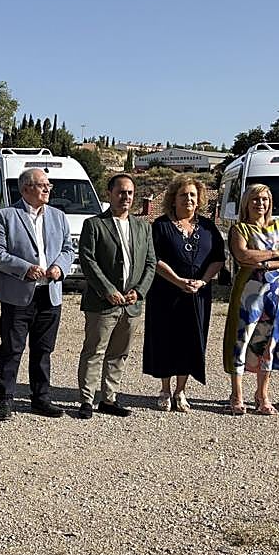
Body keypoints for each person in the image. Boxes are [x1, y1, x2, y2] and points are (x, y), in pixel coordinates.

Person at [0, 168, 75, 419]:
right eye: (42, 185)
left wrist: (60, 266)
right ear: (26, 188)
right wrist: (25, 269)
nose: (48, 189)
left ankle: (41, 399)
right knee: (12, 349)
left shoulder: (59, 217)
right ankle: (5, 399)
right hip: (18, 294)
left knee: (43, 350)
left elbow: (68, 249)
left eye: (49, 185)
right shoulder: (5, 216)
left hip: (50, 294)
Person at [76, 174, 157, 419]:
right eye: (121, 192)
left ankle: (109, 399)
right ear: (109, 194)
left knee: (119, 353)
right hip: (102, 303)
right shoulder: (94, 224)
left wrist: (139, 291)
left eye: (130, 193)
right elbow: (87, 260)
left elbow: (151, 262)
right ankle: (86, 400)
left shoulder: (143, 227)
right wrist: (108, 290)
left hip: (131, 304)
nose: (126, 197)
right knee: (94, 351)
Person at [142, 175, 224, 412]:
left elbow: (218, 258)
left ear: (198, 200)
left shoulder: (208, 227)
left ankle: (181, 391)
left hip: (197, 294)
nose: (188, 199)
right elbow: (153, 258)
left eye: (192, 195)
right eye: (183, 195)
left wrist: (203, 281)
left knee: (191, 341)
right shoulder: (160, 226)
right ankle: (165, 389)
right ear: (173, 198)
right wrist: (178, 281)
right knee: (166, 340)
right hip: (166, 294)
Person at [221, 183, 279, 416]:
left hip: (275, 293)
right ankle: (237, 394)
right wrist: (275, 253)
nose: (260, 203)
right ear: (246, 203)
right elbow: (243, 255)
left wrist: (263, 262)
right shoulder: (240, 230)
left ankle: (262, 394)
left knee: (270, 342)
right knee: (242, 339)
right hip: (248, 292)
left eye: (264, 199)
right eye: (255, 199)